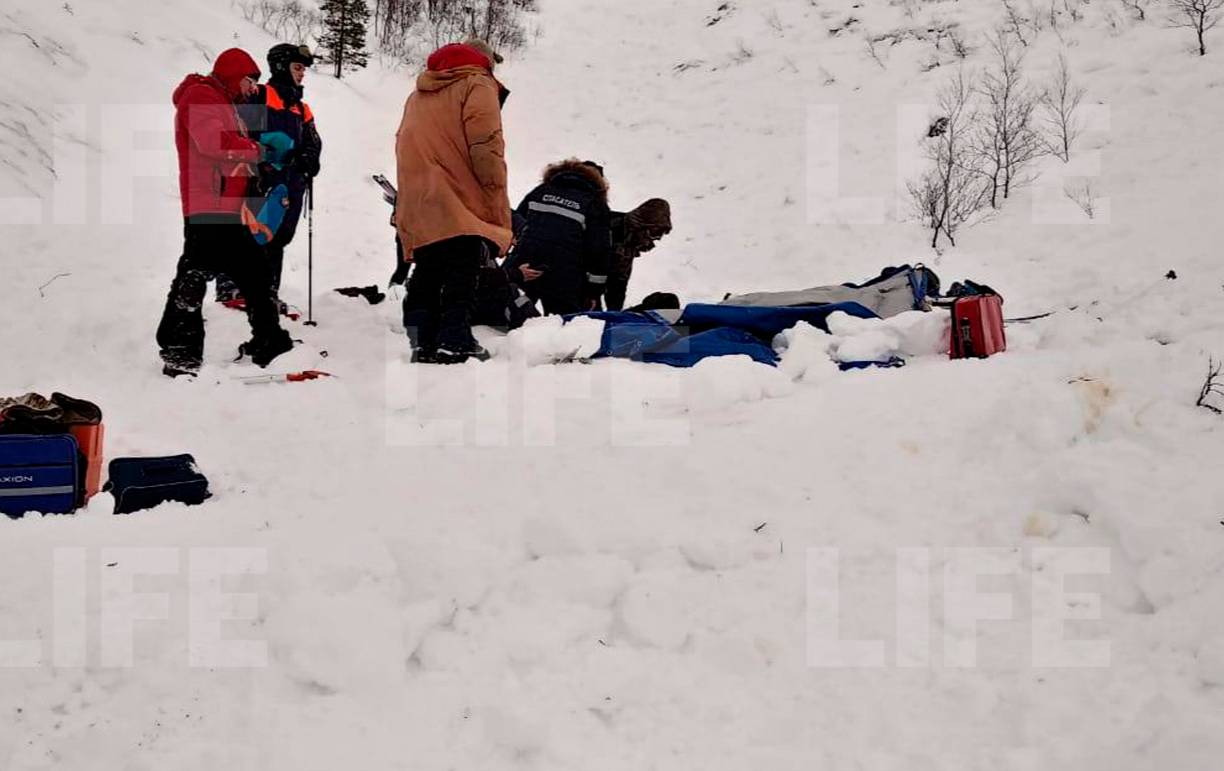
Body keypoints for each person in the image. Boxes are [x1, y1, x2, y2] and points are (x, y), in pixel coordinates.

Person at [156, 48, 293, 376]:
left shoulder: (225, 103)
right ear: (235, 74)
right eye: (249, 80)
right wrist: (258, 150)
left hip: (225, 206)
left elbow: (228, 146)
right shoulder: (201, 95)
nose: (251, 89)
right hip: (210, 204)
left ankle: (267, 340)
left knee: (252, 272)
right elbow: (213, 142)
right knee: (196, 276)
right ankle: (180, 351)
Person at [395, 38, 512, 364]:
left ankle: (422, 340)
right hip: (458, 189)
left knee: (429, 264)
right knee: (464, 264)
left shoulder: (419, 92)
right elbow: (485, 142)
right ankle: (455, 339)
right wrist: (493, 189)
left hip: (420, 190)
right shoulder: (477, 84)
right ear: (484, 62)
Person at [216, 43, 322, 310]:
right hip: (259, 180)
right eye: (297, 67)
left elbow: (313, 141)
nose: (302, 73)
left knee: (279, 238)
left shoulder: (301, 108)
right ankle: (232, 290)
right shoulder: (260, 96)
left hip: (292, 184)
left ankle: (267, 292)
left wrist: (309, 158)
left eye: (303, 69)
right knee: (249, 234)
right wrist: (266, 156)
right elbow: (241, 136)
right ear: (280, 67)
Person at [504, 159, 614, 316]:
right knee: (566, 324)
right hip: (564, 274)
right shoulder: (594, 204)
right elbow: (599, 251)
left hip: (525, 264)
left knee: (509, 311)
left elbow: (518, 222)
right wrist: (593, 292)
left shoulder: (541, 190)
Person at [606, 198, 673, 311]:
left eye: (660, 235)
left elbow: (619, 281)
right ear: (642, 224)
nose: (657, 238)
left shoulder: (630, 242)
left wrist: (615, 312)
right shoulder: (606, 227)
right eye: (655, 232)